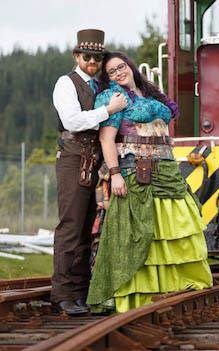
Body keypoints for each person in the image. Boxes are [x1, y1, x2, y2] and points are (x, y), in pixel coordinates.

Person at [86, 52, 212, 313]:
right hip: (136, 170)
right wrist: (115, 173)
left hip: (166, 170)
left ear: (130, 67)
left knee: (175, 229)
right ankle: (139, 296)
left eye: (122, 67)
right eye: (112, 71)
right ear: (107, 78)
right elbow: (106, 139)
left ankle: (177, 287)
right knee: (139, 232)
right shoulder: (114, 98)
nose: (119, 72)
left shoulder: (150, 93)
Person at [51, 29, 128, 316]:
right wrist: (108, 110)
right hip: (73, 159)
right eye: (87, 56)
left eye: (97, 57)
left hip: (93, 161)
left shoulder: (97, 86)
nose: (93, 61)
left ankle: (80, 292)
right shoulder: (66, 83)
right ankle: (62, 295)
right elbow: (72, 120)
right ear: (77, 56)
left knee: (86, 228)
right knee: (71, 225)